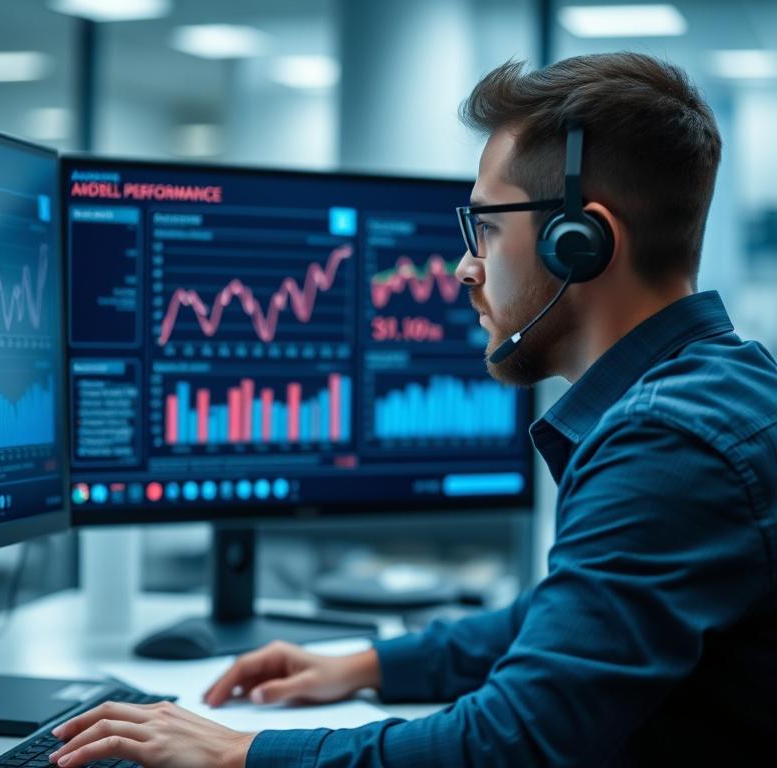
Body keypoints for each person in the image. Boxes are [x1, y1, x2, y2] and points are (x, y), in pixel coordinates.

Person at [46, 53, 777, 767]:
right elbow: (575, 615)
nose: (464, 266)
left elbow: (512, 742)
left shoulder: (664, 442)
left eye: (486, 227)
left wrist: (242, 752)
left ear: (580, 244)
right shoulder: (722, 387)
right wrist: (367, 665)